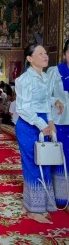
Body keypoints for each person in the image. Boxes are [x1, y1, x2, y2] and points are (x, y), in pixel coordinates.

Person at [15, 44, 63, 224]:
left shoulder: (45, 77)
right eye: (40, 53)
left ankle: (41, 203)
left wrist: (53, 107)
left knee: (45, 162)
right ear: (29, 58)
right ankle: (33, 209)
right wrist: (42, 124)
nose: (45, 56)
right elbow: (23, 108)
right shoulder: (24, 80)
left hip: (43, 123)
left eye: (45, 53)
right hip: (29, 125)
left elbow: (43, 101)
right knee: (32, 164)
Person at [47, 39, 69, 211]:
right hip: (60, 123)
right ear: (64, 54)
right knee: (61, 160)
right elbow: (45, 96)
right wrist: (50, 121)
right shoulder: (55, 72)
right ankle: (62, 198)